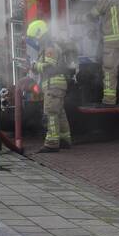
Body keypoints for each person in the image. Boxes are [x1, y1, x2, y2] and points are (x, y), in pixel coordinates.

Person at [27, 19, 73, 153]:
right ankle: (65, 139)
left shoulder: (50, 48)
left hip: (54, 84)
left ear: (39, 34)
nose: (34, 41)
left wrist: (35, 66)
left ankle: (52, 143)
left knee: (51, 113)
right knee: (60, 113)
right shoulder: (49, 46)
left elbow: (49, 68)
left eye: (34, 38)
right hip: (55, 85)